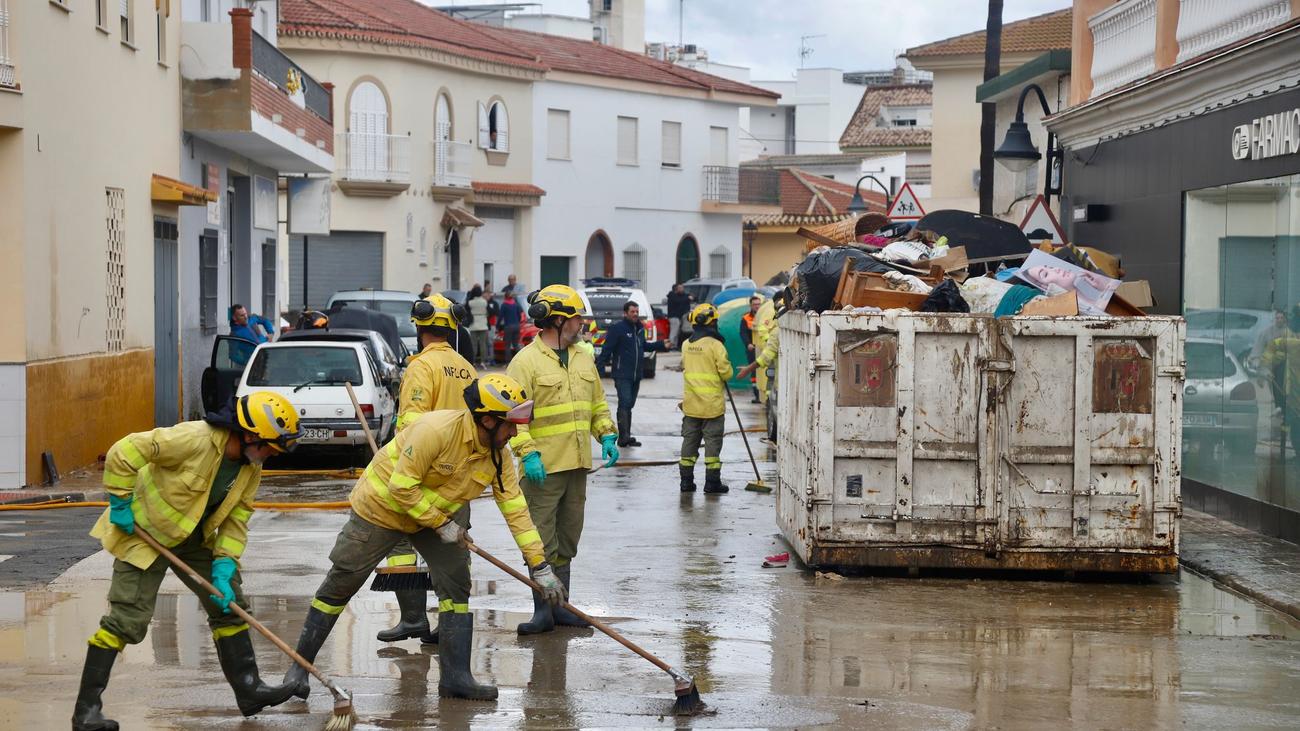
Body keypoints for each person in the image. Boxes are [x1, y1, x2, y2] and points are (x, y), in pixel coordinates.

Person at [281, 375, 564, 702]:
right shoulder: (435, 431)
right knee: (341, 581)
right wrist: (441, 524)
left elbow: (516, 510)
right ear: (487, 420)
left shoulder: (498, 457)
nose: (514, 433)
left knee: (457, 583)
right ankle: (298, 669)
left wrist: (539, 565)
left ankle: (456, 679)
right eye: (510, 425)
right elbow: (401, 488)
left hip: (434, 519)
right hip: (381, 509)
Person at [72, 393, 303, 730]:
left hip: (194, 540)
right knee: (127, 621)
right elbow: (126, 450)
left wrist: (224, 565)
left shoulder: (250, 468)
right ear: (250, 435)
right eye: (271, 447)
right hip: (143, 533)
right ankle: (86, 712)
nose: (272, 455)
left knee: (230, 604)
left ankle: (250, 691)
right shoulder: (194, 439)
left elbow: (237, 519)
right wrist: (120, 500)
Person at [507, 284, 619, 635]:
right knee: (541, 541)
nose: (582, 324)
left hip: (576, 464)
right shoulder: (525, 362)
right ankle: (543, 609)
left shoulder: (584, 357)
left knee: (568, 539)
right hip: (543, 468)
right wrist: (528, 455)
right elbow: (512, 418)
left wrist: (607, 434)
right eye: (576, 318)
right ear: (555, 320)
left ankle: (561, 606)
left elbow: (597, 404)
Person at [375, 293, 478, 647]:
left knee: (401, 542)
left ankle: (414, 618)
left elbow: (412, 426)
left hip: (423, 475)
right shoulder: (466, 368)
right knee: (451, 553)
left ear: (419, 326)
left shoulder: (421, 366)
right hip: (458, 478)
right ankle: (450, 626)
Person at [597, 300, 671, 447]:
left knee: (629, 404)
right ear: (625, 313)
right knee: (624, 403)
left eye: (637, 312)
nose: (635, 314)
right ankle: (623, 437)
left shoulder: (639, 328)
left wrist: (661, 345)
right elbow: (607, 350)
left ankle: (627, 436)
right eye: (632, 312)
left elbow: (643, 346)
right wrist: (599, 370)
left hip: (636, 374)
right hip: (622, 374)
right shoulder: (618, 329)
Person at [678, 303, 734, 494]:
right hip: (712, 407)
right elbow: (726, 373)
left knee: (689, 443)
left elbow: (685, 365)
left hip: (691, 406)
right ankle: (712, 483)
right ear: (711, 322)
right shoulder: (716, 345)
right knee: (712, 445)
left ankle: (686, 482)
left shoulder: (686, 345)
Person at [1254, 310, 1292, 413]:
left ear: (1284, 319)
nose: (1279, 320)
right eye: (1277, 318)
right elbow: (1259, 348)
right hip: (1271, 365)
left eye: (1281, 318)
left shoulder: (1289, 332)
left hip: (1285, 365)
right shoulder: (1267, 332)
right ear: (1274, 319)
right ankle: (1278, 406)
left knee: (1283, 386)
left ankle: (1282, 407)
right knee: (1274, 386)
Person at [740, 295, 763, 403]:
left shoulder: (764, 316)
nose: (757, 306)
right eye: (755, 304)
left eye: (759, 304)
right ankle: (757, 395)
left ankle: (763, 394)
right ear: (751, 305)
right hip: (752, 349)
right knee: (753, 371)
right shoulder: (746, 318)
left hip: (763, 348)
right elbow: (743, 333)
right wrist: (748, 344)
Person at [468, 289, 491, 369]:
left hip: (473, 324)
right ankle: (483, 362)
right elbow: (488, 311)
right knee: (483, 344)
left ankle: (473, 361)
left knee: (473, 345)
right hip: (483, 324)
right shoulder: (484, 302)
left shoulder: (470, 302)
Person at [498, 291, 525, 361]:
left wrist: (497, 326)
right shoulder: (516, 305)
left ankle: (508, 362)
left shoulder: (504, 305)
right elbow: (520, 315)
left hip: (508, 327)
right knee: (516, 344)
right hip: (516, 326)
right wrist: (517, 323)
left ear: (505, 297)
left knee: (507, 346)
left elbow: (500, 317)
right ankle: (522, 360)